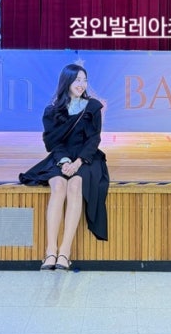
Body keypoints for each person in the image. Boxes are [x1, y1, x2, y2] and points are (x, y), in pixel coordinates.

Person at [19, 63, 109, 271]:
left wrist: (77, 163)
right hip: (61, 158)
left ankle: (65, 252)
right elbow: (53, 143)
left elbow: (94, 139)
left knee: (75, 185)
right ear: (66, 82)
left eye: (84, 80)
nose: (81, 84)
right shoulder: (52, 111)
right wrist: (65, 161)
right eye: (77, 80)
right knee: (58, 186)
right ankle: (51, 250)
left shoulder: (93, 107)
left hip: (87, 158)